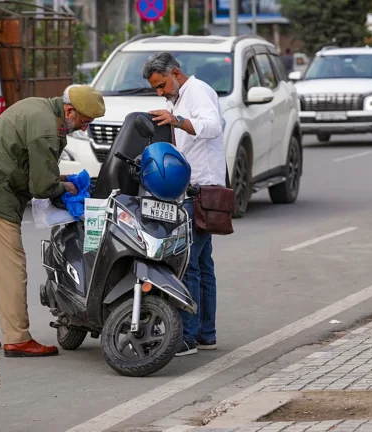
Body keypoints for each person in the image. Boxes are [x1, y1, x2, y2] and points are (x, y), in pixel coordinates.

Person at [0, 84, 105, 357]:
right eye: (84, 121)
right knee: (11, 270)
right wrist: (67, 189)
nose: (84, 128)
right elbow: (41, 187)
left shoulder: (40, 108)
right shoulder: (48, 129)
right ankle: (17, 339)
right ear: (70, 110)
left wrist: (59, 180)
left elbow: (31, 166)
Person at [143, 52, 225, 356]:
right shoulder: (175, 100)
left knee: (188, 262)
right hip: (189, 190)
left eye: (162, 85)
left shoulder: (198, 91)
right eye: (156, 88)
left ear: (176, 73)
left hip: (202, 190)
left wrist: (179, 121)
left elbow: (213, 126)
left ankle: (189, 337)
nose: (161, 92)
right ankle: (206, 334)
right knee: (202, 265)